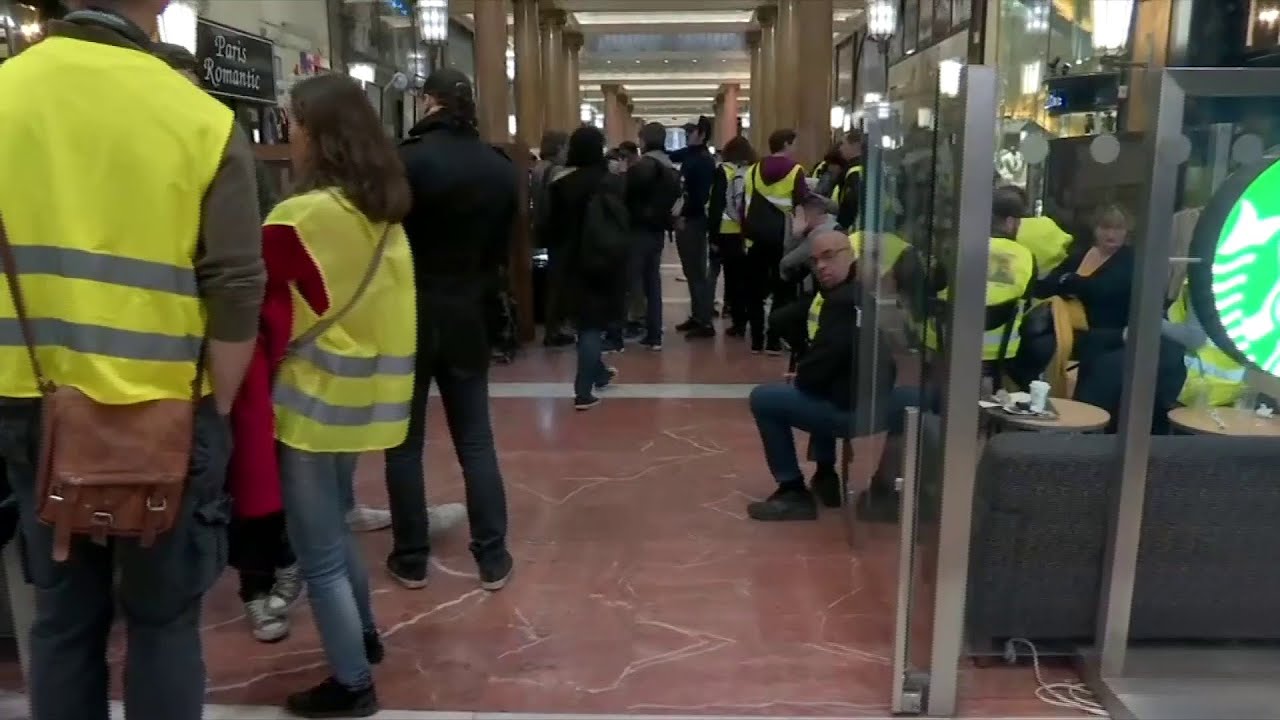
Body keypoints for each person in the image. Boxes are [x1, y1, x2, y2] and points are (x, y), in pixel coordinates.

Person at [0, 3, 265, 718]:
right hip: (169, 411)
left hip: (29, 400)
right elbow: (238, 284)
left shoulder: (5, 94)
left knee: (60, 621)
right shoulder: (201, 120)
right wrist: (217, 404)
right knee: (164, 621)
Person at [265, 72, 416, 717]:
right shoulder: (383, 211)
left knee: (318, 551)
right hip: (366, 401)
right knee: (337, 537)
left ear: (317, 135)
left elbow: (262, 312)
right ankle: (366, 637)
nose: (288, 136)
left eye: (293, 124)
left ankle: (352, 683)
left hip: (306, 402)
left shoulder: (296, 217)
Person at [151, 41, 301, 644]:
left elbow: (252, 258)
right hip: (156, 348)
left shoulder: (219, 140)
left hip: (222, 351)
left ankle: (258, 577)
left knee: (246, 468)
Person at [385, 68, 516, 593]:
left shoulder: (405, 160)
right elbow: (499, 252)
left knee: (404, 443)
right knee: (476, 440)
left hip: (408, 310)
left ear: (426, 101)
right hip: (469, 310)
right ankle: (492, 555)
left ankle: (411, 557)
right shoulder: (499, 168)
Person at [746, 230, 893, 520]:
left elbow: (815, 373)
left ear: (850, 255)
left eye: (829, 257)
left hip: (850, 411)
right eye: (815, 261)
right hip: (865, 399)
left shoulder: (842, 302)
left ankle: (792, 490)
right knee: (818, 386)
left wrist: (804, 374)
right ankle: (827, 475)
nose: (821, 266)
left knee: (764, 399)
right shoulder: (858, 295)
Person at [549, 126, 628, 410]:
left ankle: (599, 373)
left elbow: (550, 227)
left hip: (570, 261)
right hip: (604, 259)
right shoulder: (611, 182)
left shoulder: (560, 183)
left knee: (585, 322)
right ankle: (583, 391)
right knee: (593, 327)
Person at [743, 128, 809, 354]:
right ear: (787, 144)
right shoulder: (796, 171)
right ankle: (773, 339)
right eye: (794, 143)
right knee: (783, 290)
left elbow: (746, 204)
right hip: (783, 240)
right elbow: (801, 205)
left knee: (754, 291)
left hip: (756, 238)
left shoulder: (751, 171)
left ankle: (756, 340)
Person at [625, 121, 680, 350]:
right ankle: (654, 334)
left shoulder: (642, 167)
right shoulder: (670, 168)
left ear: (644, 140)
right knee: (653, 282)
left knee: (631, 280)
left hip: (638, 228)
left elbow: (628, 197)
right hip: (658, 228)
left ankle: (628, 328)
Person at [669, 117, 718, 339]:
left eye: (690, 132)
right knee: (691, 271)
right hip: (689, 218)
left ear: (701, 133)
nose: (686, 135)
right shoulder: (691, 155)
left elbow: (699, 196)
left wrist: (683, 215)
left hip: (694, 220)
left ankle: (704, 320)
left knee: (697, 271)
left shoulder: (703, 160)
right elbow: (671, 155)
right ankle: (698, 316)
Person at [706, 135, 756, 337]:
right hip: (749, 230)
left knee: (732, 279)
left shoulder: (724, 171)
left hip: (728, 231)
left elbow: (717, 204)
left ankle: (738, 322)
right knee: (748, 278)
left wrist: (713, 236)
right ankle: (751, 317)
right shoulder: (753, 170)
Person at [533, 130, 574, 347]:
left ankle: (553, 327)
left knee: (552, 282)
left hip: (541, 229)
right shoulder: (557, 172)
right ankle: (555, 329)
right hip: (557, 232)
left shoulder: (538, 169)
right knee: (559, 284)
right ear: (559, 148)